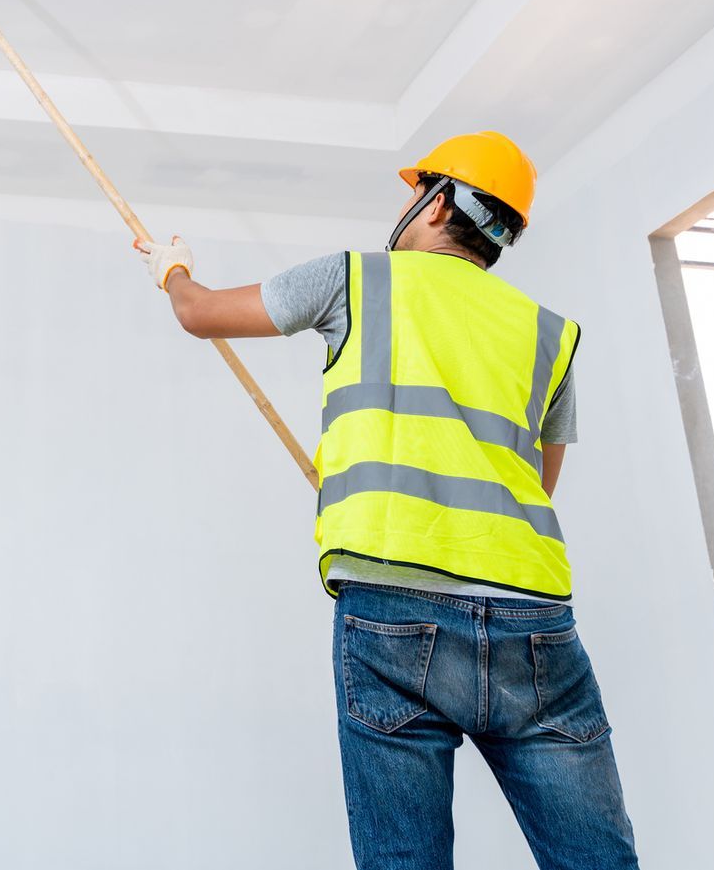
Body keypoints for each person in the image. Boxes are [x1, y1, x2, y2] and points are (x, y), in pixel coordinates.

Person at [134, 132, 638, 870]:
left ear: (436, 204)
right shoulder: (551, 333)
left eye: (413, 193)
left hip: (394, 614)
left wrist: (171, 269)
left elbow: (201, 312)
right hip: (535, 622)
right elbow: (534, 483)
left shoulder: (355, 280)